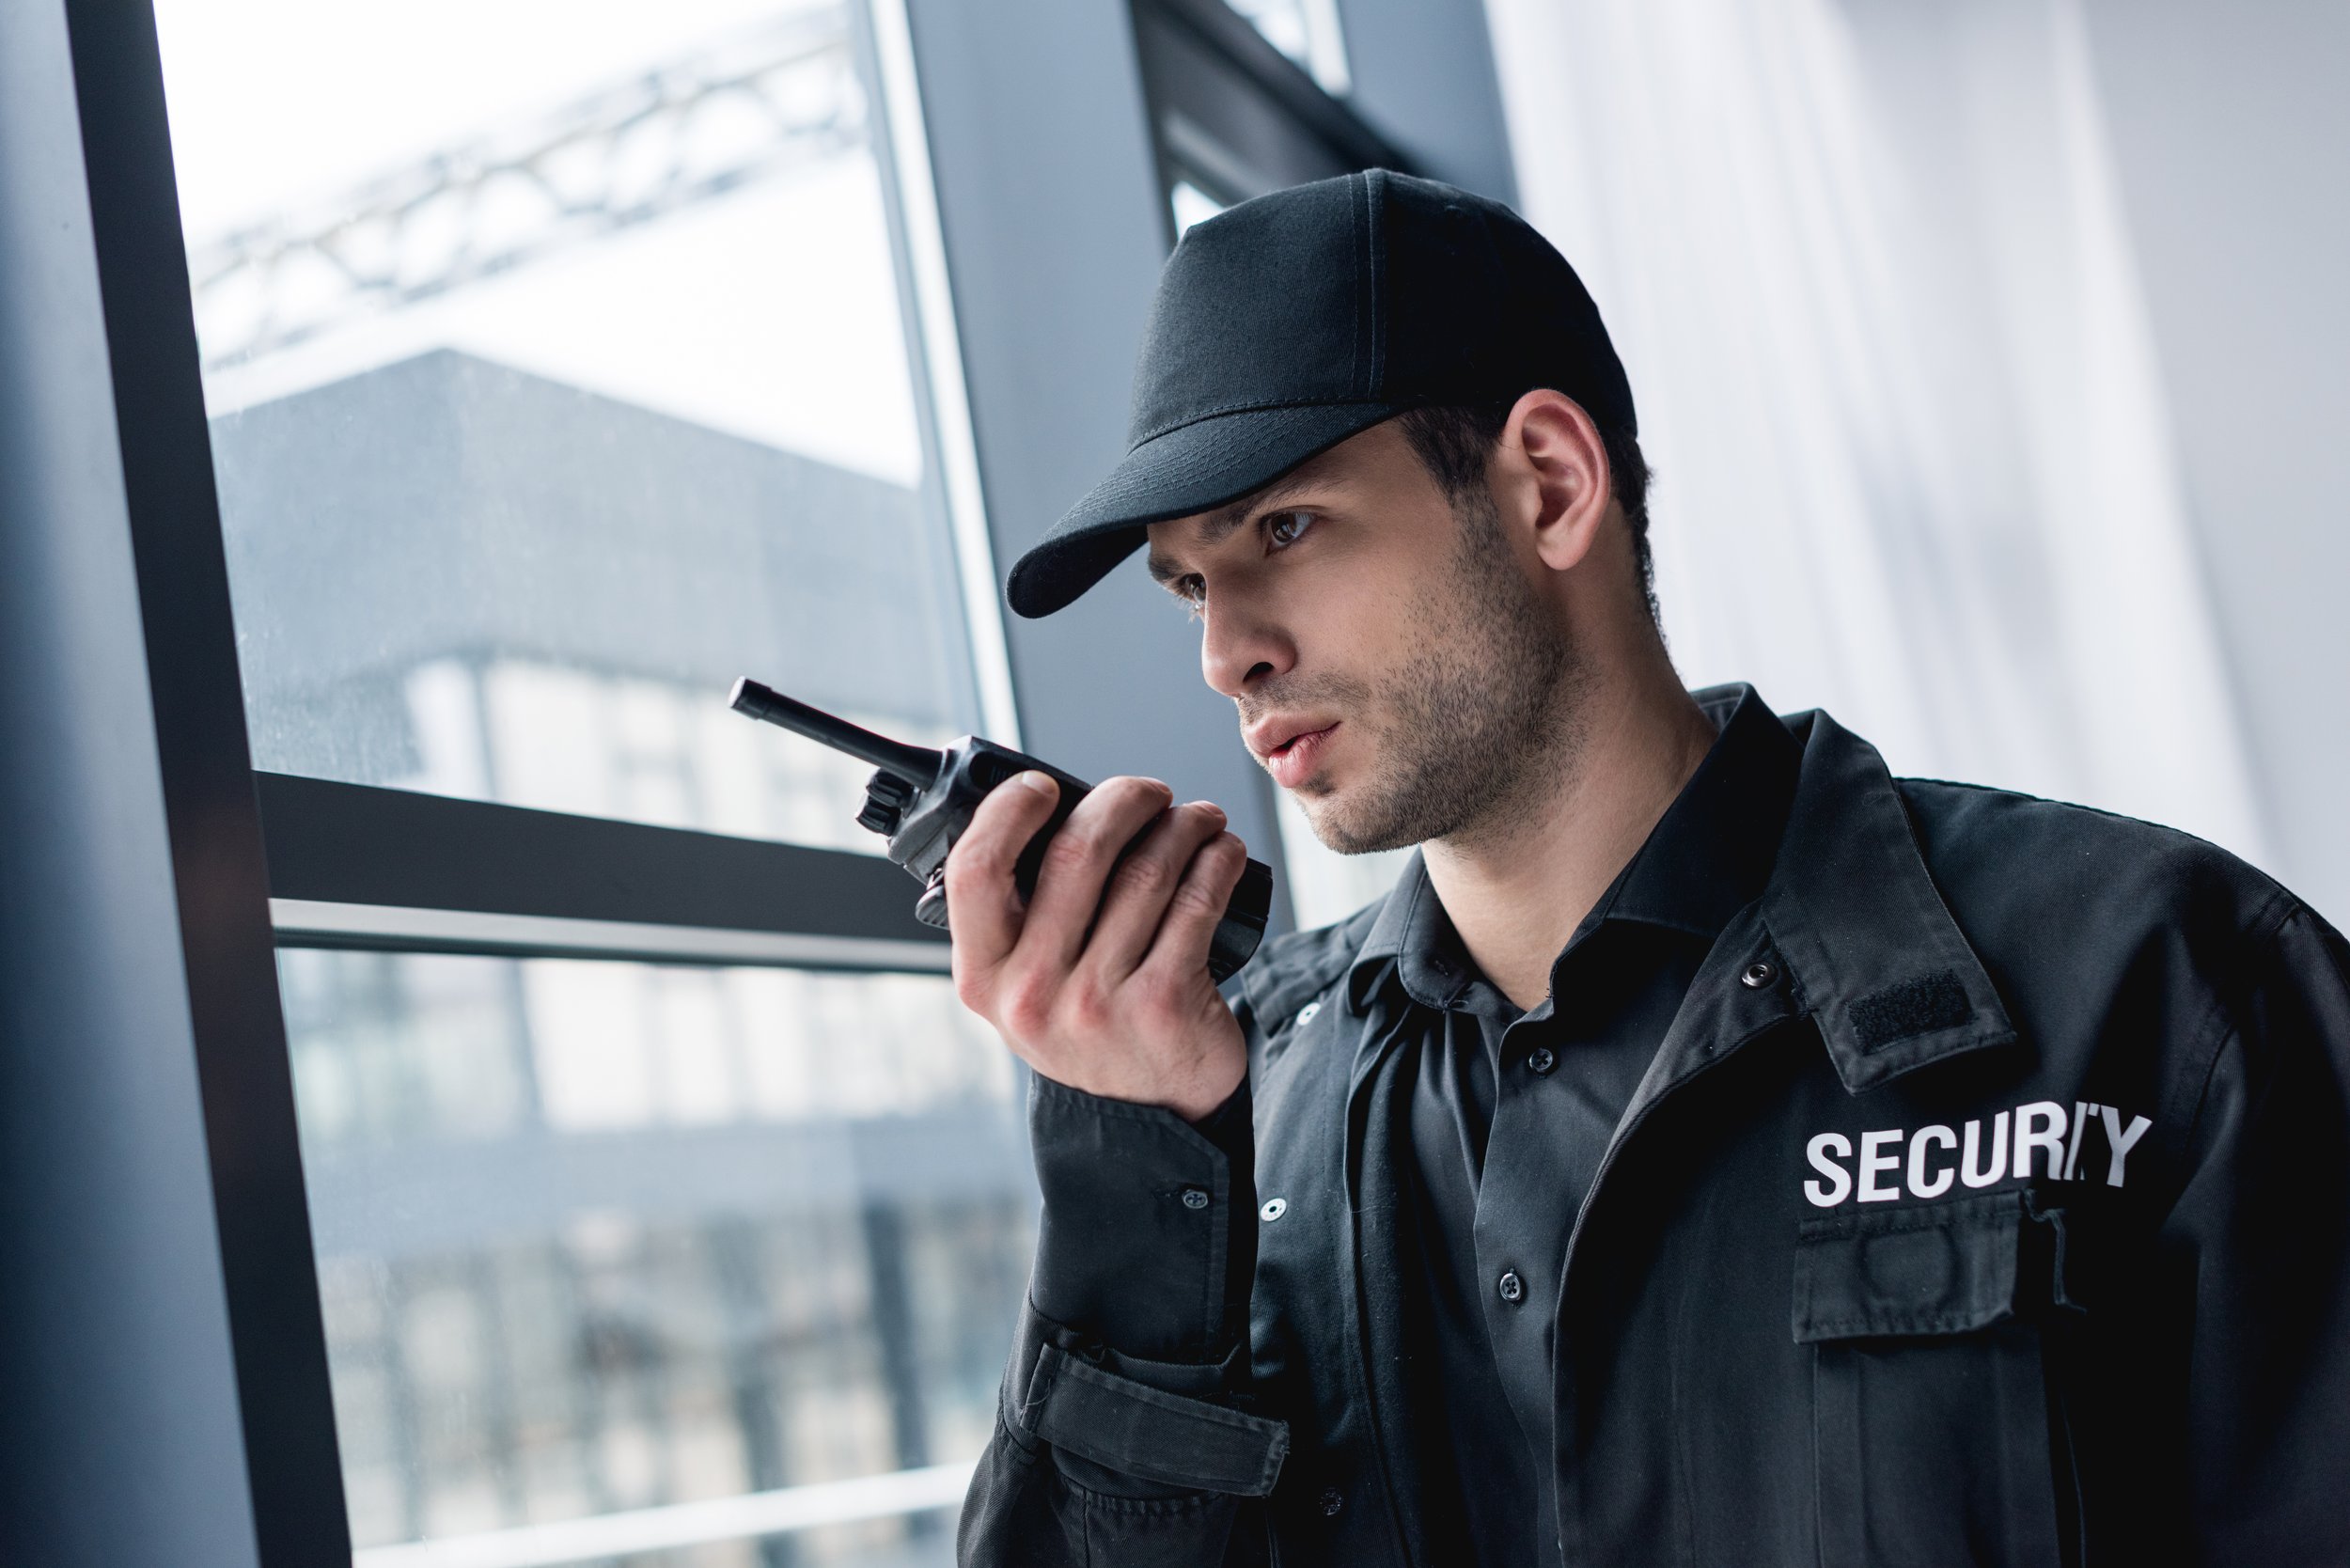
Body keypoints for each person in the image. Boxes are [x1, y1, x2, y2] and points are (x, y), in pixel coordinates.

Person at [944, 170, 2350, 1566]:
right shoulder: (1225, 1122)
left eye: (1283, 531)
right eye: (1192, 582)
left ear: (1550, 486)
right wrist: (1138, 1207)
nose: (1224, 653)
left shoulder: (2168, 985)